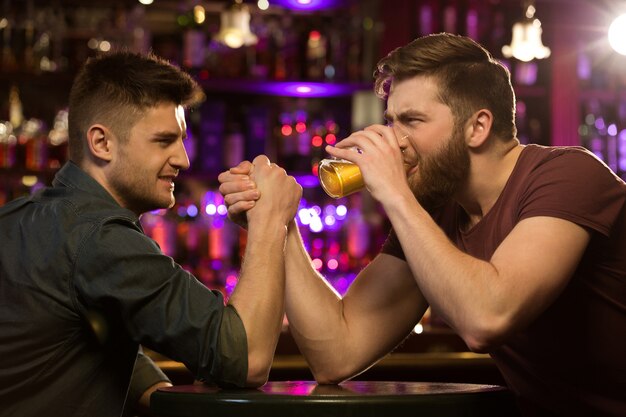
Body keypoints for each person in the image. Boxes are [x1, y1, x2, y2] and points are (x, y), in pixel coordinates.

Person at [218, 33, 626, 417]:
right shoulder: (436, 210)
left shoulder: (568, 175)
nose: (393, 140)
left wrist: (395, 192)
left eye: (411, 121)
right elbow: (337, 352)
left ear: (477, 127)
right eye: (391, 121)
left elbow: (488, 318)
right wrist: (277, 222)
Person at [0, 51, 302, 417]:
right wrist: (270, 221)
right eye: (163, 141)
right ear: (102, 143)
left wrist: (152, 387)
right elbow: (248, 358)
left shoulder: (20, 218)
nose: (184, 159)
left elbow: (73, 333)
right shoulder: (101, 237)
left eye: (181, 140)